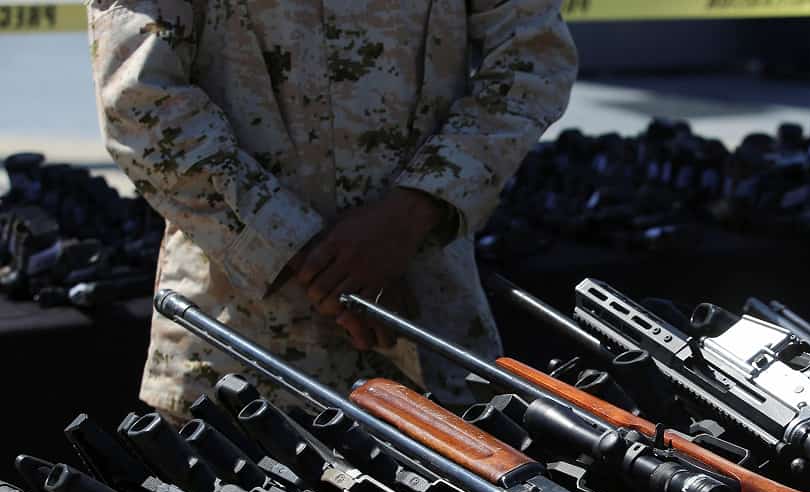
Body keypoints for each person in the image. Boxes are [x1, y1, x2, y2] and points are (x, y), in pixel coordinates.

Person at [87, 0, 578, 417]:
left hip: (431, 341)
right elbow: (138, 100)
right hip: (245, 368)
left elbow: (532, 57)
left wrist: (413, 212)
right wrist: (311, 256)